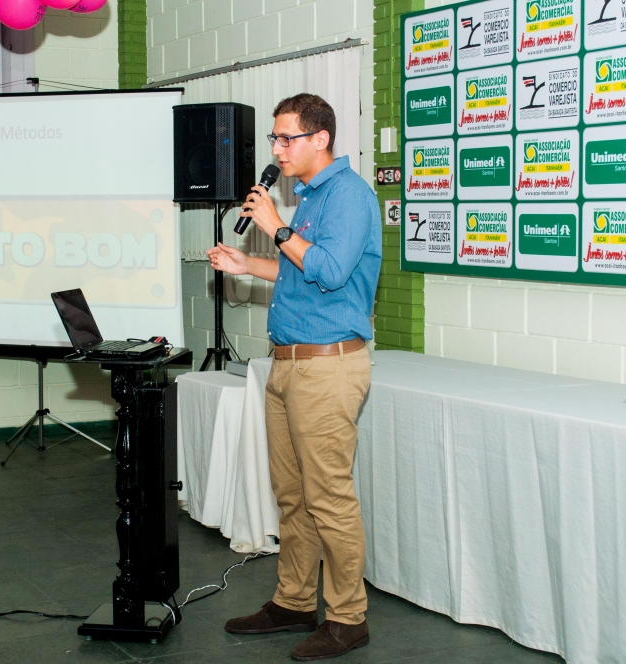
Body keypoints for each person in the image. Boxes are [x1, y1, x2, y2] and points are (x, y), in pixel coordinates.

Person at [208, 93, 381, 661]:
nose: (277, 150)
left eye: (287, 138)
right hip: (286, 364)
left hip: (328, 366)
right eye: (275, 139)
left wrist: (277, 227)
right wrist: (248, 264)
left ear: (320, 139)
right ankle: (294, 601)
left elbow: (330, 271)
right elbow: (296, 272)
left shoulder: (349, 195)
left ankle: (348, 618)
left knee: (328, 498)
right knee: (292, 497)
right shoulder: (307, 195)